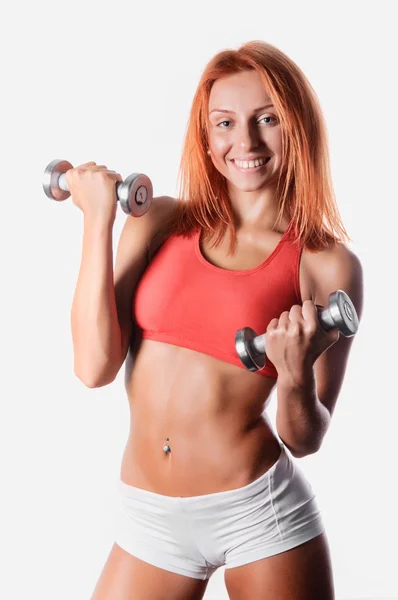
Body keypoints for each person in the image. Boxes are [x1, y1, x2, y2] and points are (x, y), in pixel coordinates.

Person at [69, 41, 363, 600]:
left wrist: (296, 374)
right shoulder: (158, 221)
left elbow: (305, 440)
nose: (245, 142)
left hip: (259, 515)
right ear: (206, 136)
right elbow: (93, 366)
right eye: (224, 123)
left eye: (267, 119)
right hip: (148, 518)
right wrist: (97, 223)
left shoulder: (326, 263)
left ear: (297, 126)